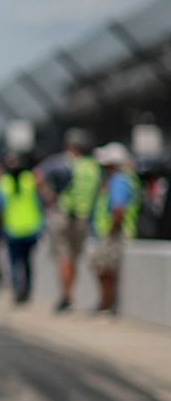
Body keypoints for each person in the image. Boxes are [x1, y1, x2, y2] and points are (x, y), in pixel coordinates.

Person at [50, 128, 100, 312]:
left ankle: (66, 297)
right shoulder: (93, 167)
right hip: (83, 217)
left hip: (65, 214)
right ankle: (69, 295)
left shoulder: (65, 164)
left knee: (64, 257)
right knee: (75, 259)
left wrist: (50, 197)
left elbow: (40, 176)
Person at [89, 142, 138, 316]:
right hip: (108, 232)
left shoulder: (119, 181)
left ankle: (106, 305)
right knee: (101, 266)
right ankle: (104, 303)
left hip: (113, 234)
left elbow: (118, 210)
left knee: (105, 268)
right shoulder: (116, 181)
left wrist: (110, 232)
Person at [0, 151, 47, 305]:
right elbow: (39, 202)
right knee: (27, 261)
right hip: (31, 228)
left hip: (13, 229)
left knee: (14, 262)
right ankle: (27, 290)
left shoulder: (4, 182)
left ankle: (18, 289)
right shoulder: (30, 179)